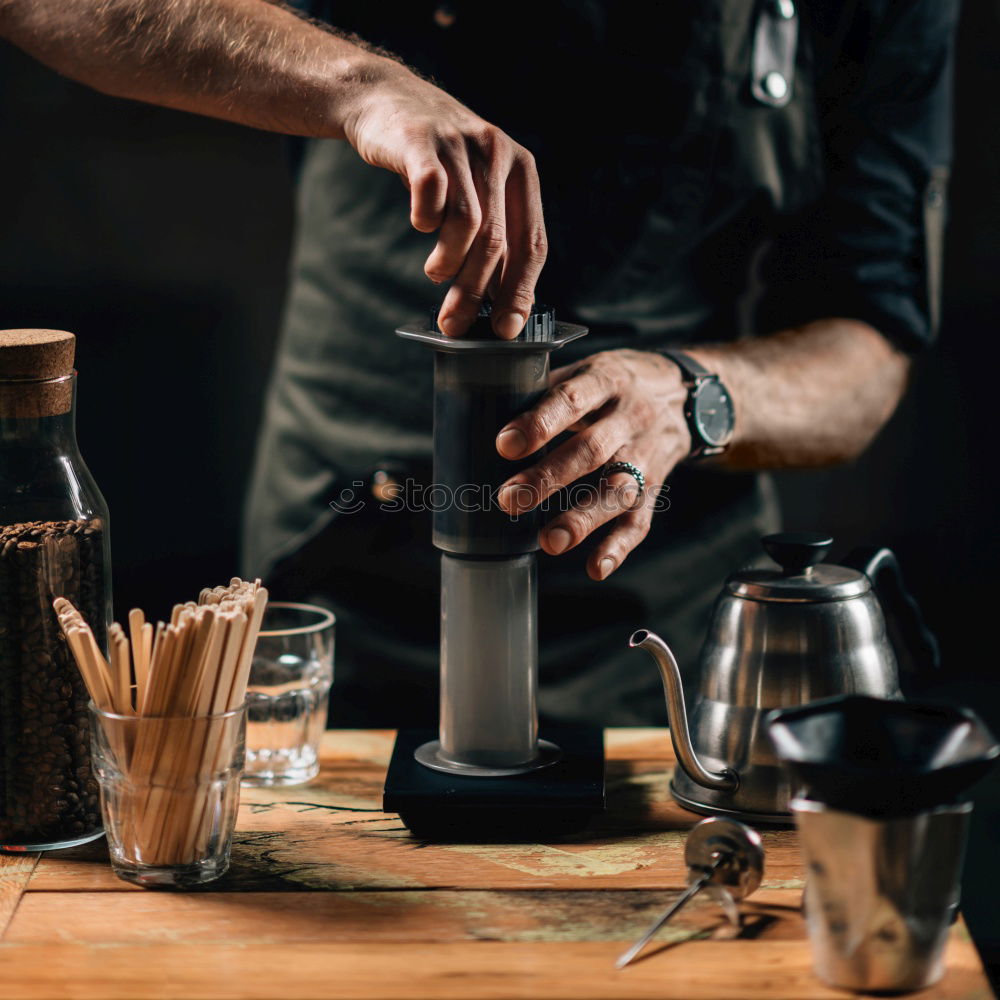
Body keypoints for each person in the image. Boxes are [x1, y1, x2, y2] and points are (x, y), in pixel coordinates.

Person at [1, 1, 959, 725]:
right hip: (333, 584)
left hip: (653, 622)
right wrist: (357, 85)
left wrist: (692, 396)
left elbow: (867, 349)